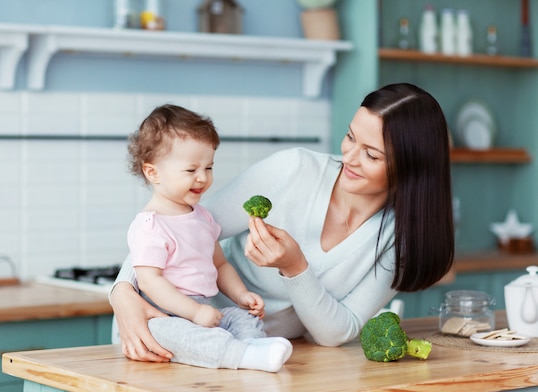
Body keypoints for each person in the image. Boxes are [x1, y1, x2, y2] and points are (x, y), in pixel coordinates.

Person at [110, 83, 454, 363]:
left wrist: (295, 268)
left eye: (372, 154)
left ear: (412, 167)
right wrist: (122, 293)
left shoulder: (402, 237)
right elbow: (179, 224)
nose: (348, 158)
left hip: (255, 355)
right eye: (350, 137)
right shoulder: (295, 169)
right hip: (167, 331)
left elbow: (336, 333)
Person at [122, 103, 293, 372]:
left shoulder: (202, 217)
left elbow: (220, 265)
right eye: (191, 170)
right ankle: (245, 356)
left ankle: (253, 348)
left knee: (240, 318)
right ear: (152, 172)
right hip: (164, 314)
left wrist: (241, 295)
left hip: (204, 310)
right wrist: (193, 312)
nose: (202, 178)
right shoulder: (149, 226)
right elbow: (150, 282)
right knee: (171, 333)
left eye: (209, 167)